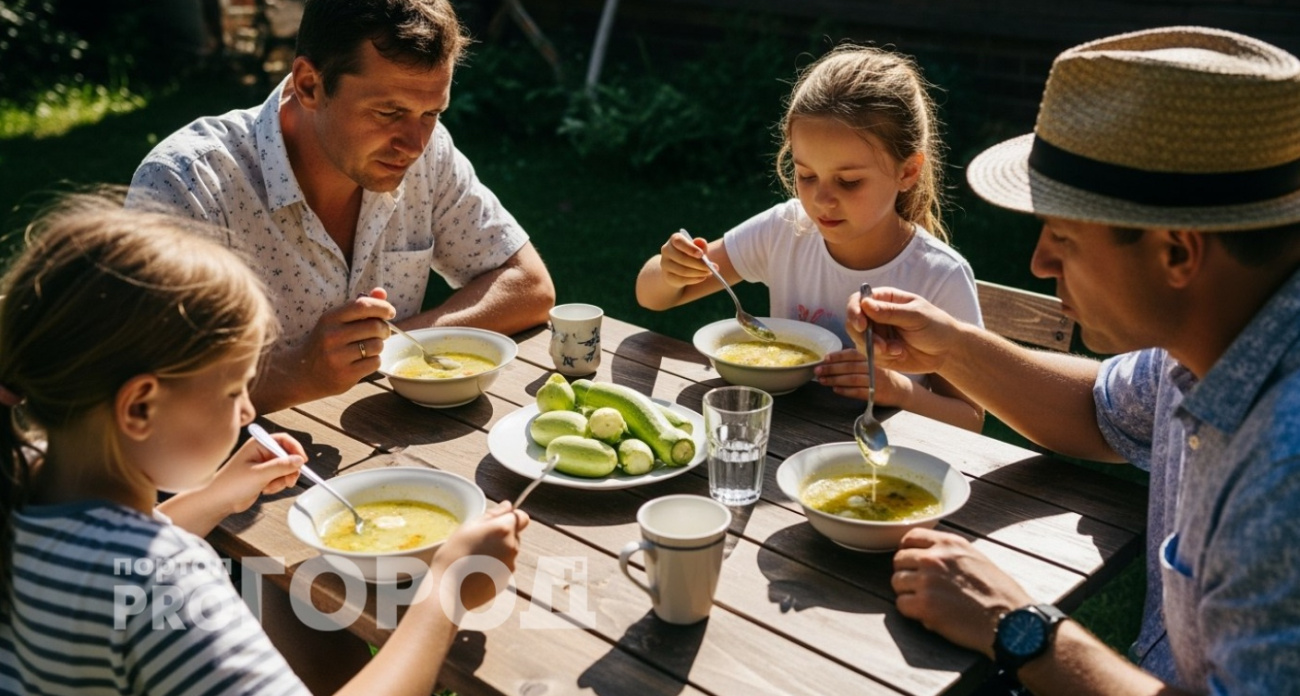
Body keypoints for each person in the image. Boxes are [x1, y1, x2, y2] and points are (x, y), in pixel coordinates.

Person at [824, 26, 1300, 694]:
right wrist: (950, 346)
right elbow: (1097, 409)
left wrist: (1022, 628)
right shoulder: (1211, 342)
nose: (1039, 261)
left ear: (1177, 253)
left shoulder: (1284, 468)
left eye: (1064, 236)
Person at [0, 199, 530, 695]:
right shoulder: (167, 578)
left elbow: (111, 553)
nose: (248, 412)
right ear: (139, 408)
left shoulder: (25, 485)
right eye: (234, 391)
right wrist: (447, 590)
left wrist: (215, 497)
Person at [126, 0, 555, 414]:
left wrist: (394, 346)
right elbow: (153, 394)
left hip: (388, 442)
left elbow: (528, 285)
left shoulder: (427, 153)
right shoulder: (187, 184)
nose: (414, 144)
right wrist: (298, 372)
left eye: (431, 113)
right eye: (388, 112)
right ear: (309, 85)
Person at [635, 45, 984, 432]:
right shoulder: (786, 230)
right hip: (780, 441)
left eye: (848, 181)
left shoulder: (939, 275)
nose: (821, 199)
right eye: (806, 175)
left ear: (907, 172)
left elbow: (970, 419)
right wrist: (672, 270)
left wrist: (900, 391)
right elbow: (651, 296)